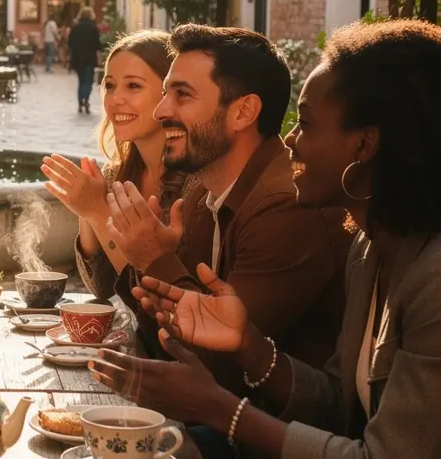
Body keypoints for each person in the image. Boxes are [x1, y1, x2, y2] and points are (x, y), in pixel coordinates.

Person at [91, 19, 441, 459]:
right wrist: (251, 346)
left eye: (307, 123)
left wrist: (218, 407)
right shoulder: (372, 249)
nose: (293, 141)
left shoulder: (429, 276)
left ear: (366, 144)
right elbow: (338, 406)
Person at [103, 24, 350, 376]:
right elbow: (162, 340)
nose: (161, 112)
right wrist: (153, 262)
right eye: (164, 94)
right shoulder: (203, 191)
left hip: (276, 427)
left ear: (243, 112)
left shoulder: (285, 206)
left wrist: (156, 258)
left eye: (182, 95)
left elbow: (219, 368)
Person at [42, 30, 193, 338]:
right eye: (109, 86)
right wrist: (84, 208)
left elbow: (154, 304)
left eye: (133, 86)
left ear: (170, 94)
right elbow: (101, 287)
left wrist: (97, 210)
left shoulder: (195, 184)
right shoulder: (115, 175)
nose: (115, 99)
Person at [67, 6, 103, 114]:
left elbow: (69, 43)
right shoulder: (93, 28)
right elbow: (98, 45)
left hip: (78, 58)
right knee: (89, 81)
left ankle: (80, 102)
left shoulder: (75, 28)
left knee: (81, 81)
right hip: (90, 58)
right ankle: (86, 100)